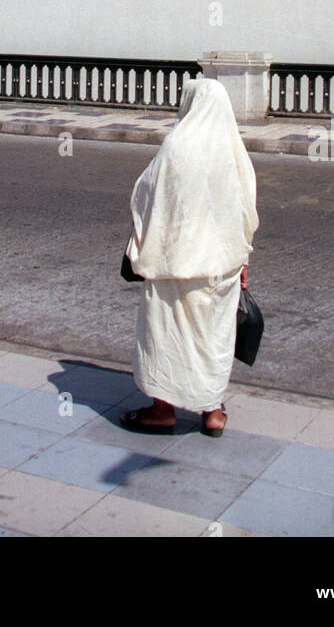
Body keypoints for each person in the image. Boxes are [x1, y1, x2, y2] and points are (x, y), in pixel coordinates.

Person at [119, 76, 258, 437]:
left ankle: (163, 409)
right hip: (220, 267)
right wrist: (244, 260)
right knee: (212, 337)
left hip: (174, 265)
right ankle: (212, 413)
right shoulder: (232, 151)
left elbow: (145, 198)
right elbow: (246, 211)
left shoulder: (176, 147)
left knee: (167, 333)